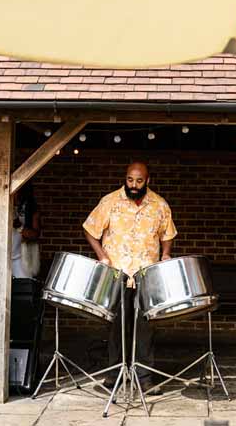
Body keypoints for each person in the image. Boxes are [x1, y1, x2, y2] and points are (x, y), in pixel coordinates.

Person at [83, 161, 177, 395]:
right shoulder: (110, 202)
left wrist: (165, 254)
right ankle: (114, 375)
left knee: (145, 328)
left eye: (139, 181)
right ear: (125, 179)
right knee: (117, 325)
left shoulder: (160, 205)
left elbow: (168, 233)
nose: (133, 185)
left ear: (148, 180)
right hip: (118, 272)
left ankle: (144, 378)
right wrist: (102, 256)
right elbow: (89, 229)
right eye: (130, 180)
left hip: (147, 273)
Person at [11, 182, 42, 278]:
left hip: (21, 258)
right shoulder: (1, 205)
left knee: (24, 288)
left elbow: (35, 235)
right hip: (1, 255)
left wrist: (19, 226)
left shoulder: (30, 208)